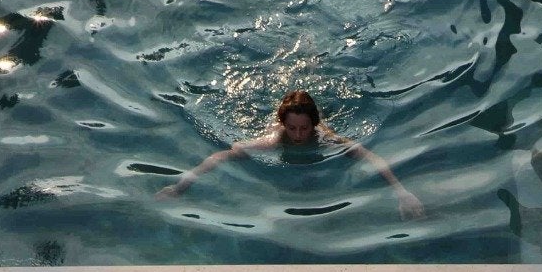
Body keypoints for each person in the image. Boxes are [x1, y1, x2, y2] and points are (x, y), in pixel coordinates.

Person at [155, 88, 425, 220]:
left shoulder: (325, 138)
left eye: (304, 128)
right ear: (283, 124)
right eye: (292, 128)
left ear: (314, 125)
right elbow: (220, 157)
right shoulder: (274, 140)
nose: (297, 135)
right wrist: (180, 187)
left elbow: (370, 157)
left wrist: (402, 192)